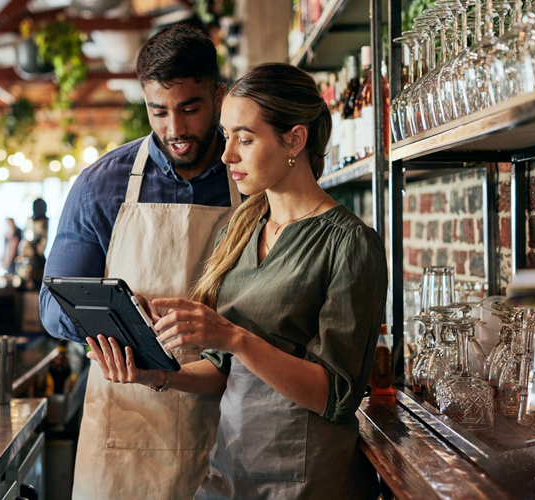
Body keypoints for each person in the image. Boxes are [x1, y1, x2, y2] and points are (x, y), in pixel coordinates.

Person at [86, 62, 387, 500]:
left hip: (307, 480)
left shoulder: (351, 243)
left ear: (295, 140)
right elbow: (222, 371)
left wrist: (234, 337)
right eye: (227, 137)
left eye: (244, 139)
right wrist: (156, 374)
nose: (228, 155)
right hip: (231, 470)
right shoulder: (241, 228)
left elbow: (336, 395)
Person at [38, 25, 236, 499]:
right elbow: (51, 303)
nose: (175, 129)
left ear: (218, 95)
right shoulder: (100, 186)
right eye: (158, 111)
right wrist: (117, 316)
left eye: (190, 108)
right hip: (128, 431)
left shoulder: (249, 176)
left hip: (231, 423)